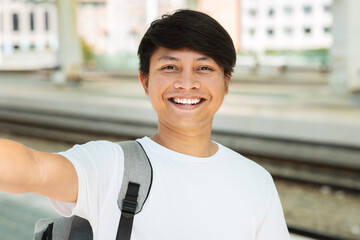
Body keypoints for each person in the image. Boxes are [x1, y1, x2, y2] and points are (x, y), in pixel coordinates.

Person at [0, 9, 290, 240]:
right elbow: (33, 168)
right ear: (145, 81)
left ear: (225, 82)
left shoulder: (256, 182)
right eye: (169, 67)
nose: (186, 82)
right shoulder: (113, 166)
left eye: (204, 68)